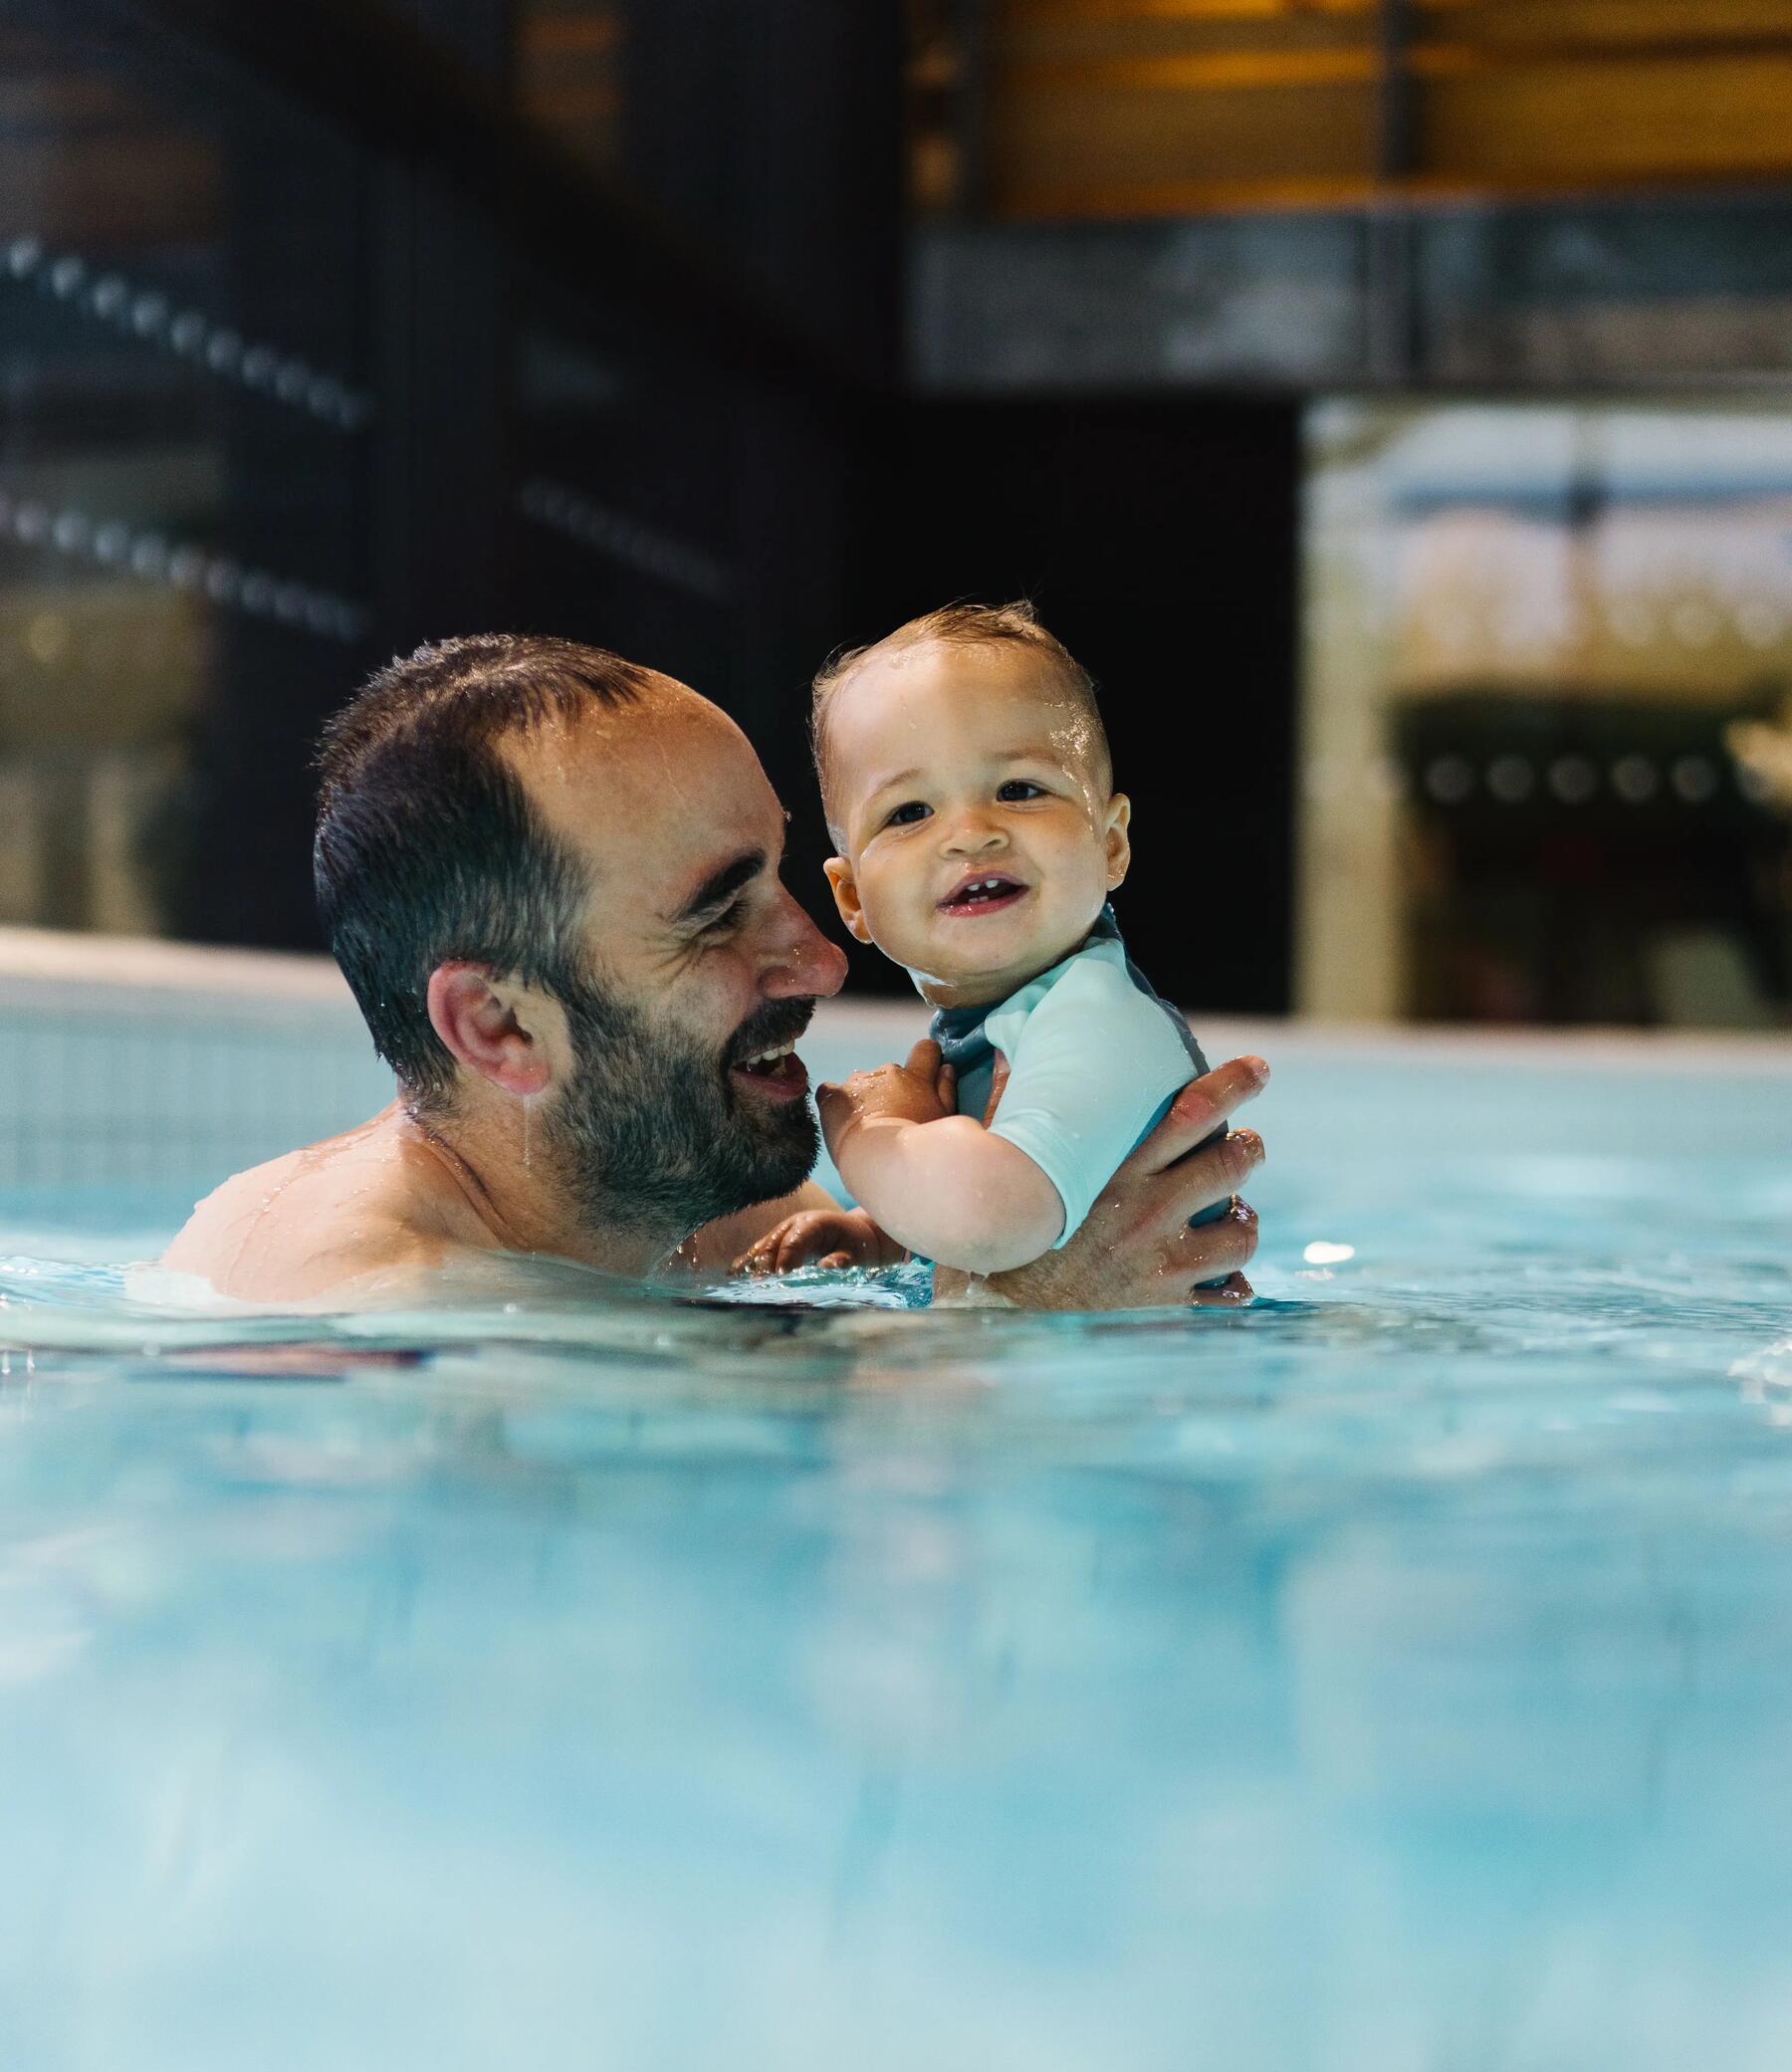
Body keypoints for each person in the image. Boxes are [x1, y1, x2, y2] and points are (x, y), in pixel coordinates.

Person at [162, 633, 1265, 1307]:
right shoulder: (376, 1330)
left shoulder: (702, 1197)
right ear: (500, 1025)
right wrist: (1035, 1319)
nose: (824, 958)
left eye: (784, 878)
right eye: (715, 914)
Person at [738, 601, 1237, 1284]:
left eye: (1019, 789)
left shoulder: (1095, 1017)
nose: (971, 832)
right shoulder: (1001, 1024)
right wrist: (883, 1232)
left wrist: (874, 1138)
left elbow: (991, 1216)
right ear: (852, 897)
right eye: (910, 811)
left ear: (1111, 844)